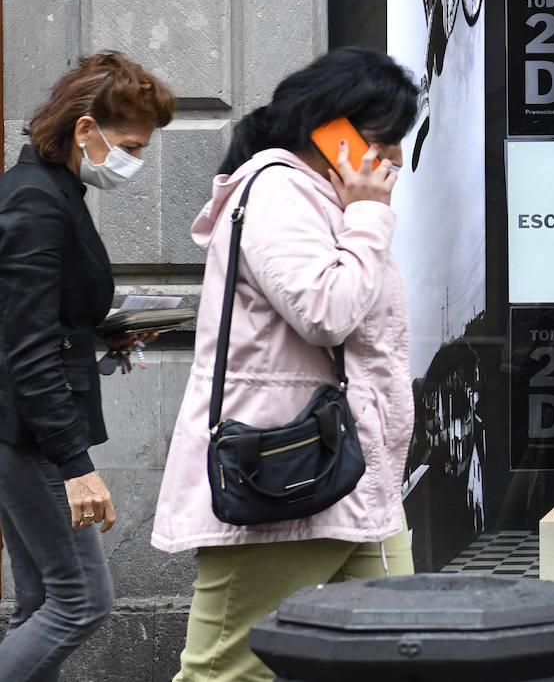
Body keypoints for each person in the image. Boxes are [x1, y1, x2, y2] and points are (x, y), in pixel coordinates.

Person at [152, 47, 420, 682]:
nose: (398, 159)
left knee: (405, 654)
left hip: (353, 474)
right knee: (227, 672)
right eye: (388, 139)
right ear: (334, 129)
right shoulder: (277, 192)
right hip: (286, 474)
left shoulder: (322, 202)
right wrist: (369, 216)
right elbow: (326, 310)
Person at [0, 52, 175, 681]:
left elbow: (37, 317)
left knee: (44, 603)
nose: (135, 159)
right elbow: (26, 344)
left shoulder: (51, 193)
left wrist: (110, 328)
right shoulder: (37, 204)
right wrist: (77, 467)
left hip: (26, 431)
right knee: (82, 603)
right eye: (130, 143)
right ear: (83, 130)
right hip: (34, 436)